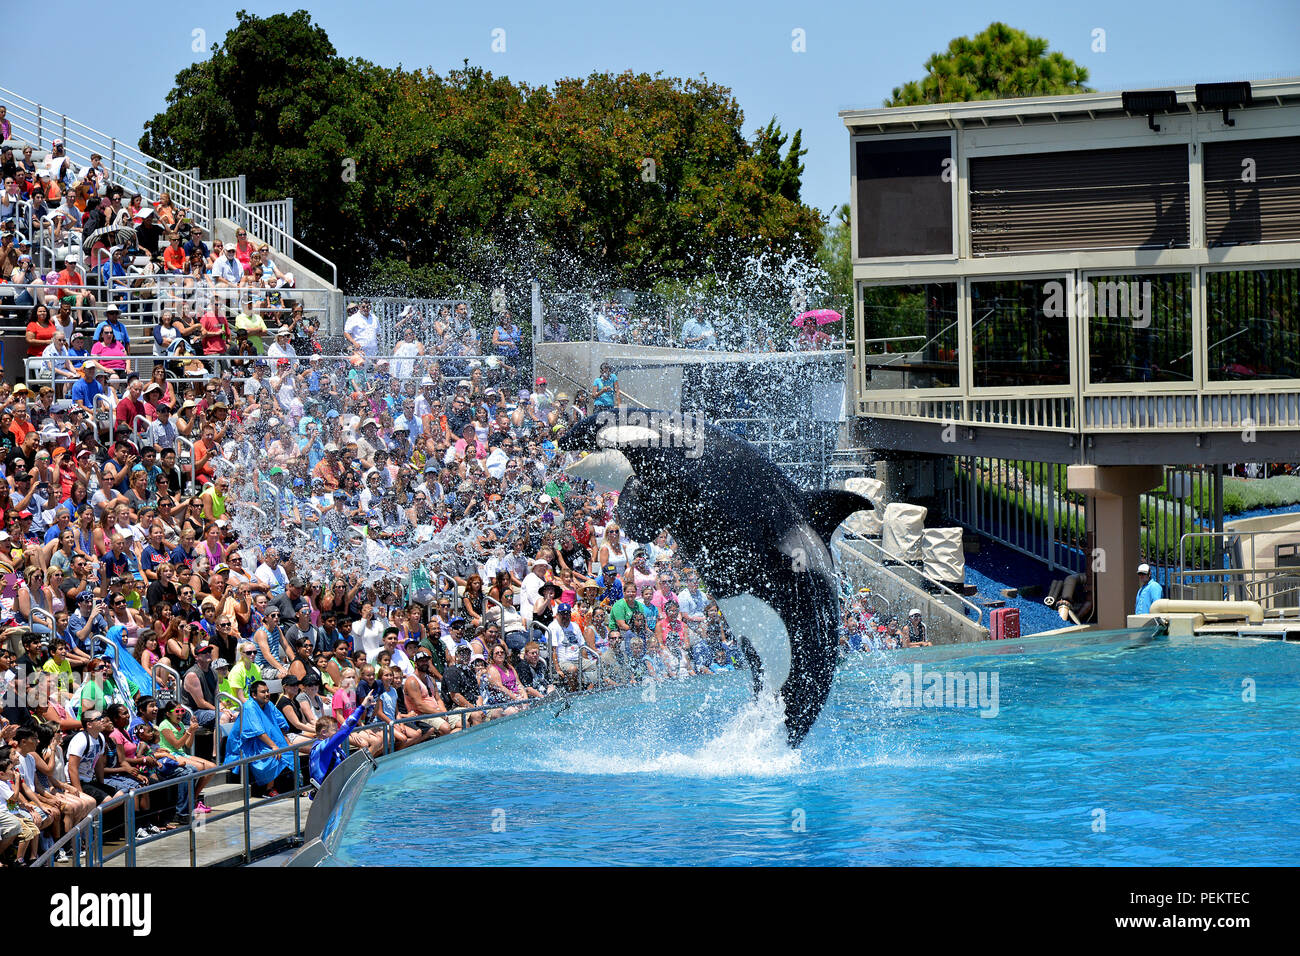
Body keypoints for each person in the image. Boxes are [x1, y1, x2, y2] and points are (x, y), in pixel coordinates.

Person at [308, 689, 377, 787]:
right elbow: (344, 730)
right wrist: (362, 707)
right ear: (323, 732)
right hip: (327, 795)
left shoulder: (333, 748)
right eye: (334, 730)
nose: (337, 733)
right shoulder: (322, 747)